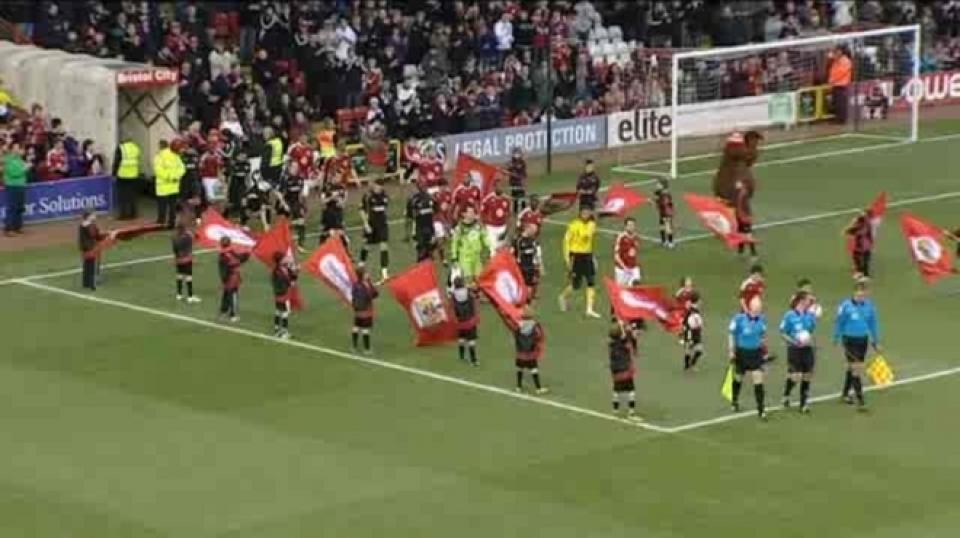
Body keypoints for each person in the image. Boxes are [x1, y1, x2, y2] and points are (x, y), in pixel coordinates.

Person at [833, 282, 881, 410]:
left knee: (852, 368)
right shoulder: (845, 306)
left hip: (862, 340)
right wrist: (836, 337)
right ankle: (861, 401)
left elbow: (873, 324)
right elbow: (839, 322)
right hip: (849, 340)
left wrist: (876, 341)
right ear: (854, 293)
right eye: (859, 294)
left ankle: (844, 394)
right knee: (856, 369)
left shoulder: (869, 306)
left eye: (863, 294)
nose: (861, 297)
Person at [728, 295, 769, 419]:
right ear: (751, 307)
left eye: (760, 307)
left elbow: (762, 336)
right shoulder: (739, 319)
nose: (759, 309)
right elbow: (731, 334)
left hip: (756, 353)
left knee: (758, 381)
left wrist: (765, 352)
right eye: (757, 307)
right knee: (738, 378)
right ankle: (734, 400)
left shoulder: (762, 320)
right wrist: (731, 350)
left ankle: (761, 409)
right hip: (742, 353)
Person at [559, 206, 600, 318]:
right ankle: (563, 296)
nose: (585, 214)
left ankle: (589, 309)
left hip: (587, 255)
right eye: (584, 212)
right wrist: (567, 258)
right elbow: (567, 241)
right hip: (576, 256)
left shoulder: (591, 224)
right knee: (576, 284)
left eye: (587, 212)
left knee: (591, 281)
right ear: (580, 213)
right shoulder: (573, 225)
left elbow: (588, 237)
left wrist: (592, 257)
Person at [780, 291, 818, 412]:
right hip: (794, 349)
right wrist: (794, 341)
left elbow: (810, 331)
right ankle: (786, 394)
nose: (810, 302)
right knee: (796, 377)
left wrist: (814, 318)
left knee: (807, 376)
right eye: (808, 300)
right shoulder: (789, 315)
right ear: (801, 301)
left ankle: (803, 404)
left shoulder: (810, 315)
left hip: (807, 349)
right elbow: (783, 332)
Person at [449, 205, 491, 287]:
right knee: (468, 280)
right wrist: (454, 258)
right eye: (470, 212)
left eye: (473, 212)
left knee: (479, 279)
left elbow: (484, 237)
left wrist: (489, 247)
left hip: (477, 257)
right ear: (464, 214)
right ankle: (469, 292)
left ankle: (476, 292)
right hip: (465, 258)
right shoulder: (459, 228)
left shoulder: (478, 226)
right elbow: (454, 243)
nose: (473, 214)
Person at [359, 178, 391, 282]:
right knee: (366, 246)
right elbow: (362, 210)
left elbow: (385, 209)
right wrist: (366, 224)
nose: (379, 188)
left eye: (380, 186)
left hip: (382, 225)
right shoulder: (368, 196)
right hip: (371, 225)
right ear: (374, 186)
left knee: (384, 246)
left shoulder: (385, 196)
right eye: (377, 186)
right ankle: (361, 264)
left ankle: (384, 273)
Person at [78, 210, 115, 291]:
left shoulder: (82, 225)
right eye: (93, 215)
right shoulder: (91, 226)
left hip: (84, 249)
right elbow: (96, 236)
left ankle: (86, 283)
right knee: (93, 267)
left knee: (87, 266)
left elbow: (95, 235)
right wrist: (110, 235)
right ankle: (93, 285)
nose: (95, 216)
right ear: (89, 216)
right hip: (91, 248)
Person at [153, 139, 185, 229]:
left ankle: (167, 223)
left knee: (169, 207)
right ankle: (165, 223)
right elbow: (158, 170)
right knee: (167, 207)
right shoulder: (162, 155)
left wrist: (174, 176)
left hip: (167, 187)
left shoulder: (175, 156)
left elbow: (182, 168)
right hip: (167, 186)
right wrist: (173, 177)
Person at [514, 306, 547, 394]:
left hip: (520, 353)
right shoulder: (534, 325)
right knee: (534, 369)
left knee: (519, 369)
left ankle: (518, 387)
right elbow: (539, 335)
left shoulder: (518, 325)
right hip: (530, 353)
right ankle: (538, 388)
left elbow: (516, 335)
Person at [609, 321, 638, 418]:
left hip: (616, 371)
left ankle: (615, 410)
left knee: (616, 390)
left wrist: (622, 326)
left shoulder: (611, 344)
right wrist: (622, 325)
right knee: (631, 390)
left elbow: (623, 336)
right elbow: (626, 336)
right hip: (625, 370)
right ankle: (631, 411)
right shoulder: (624, 343)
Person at [217, 236, 250, 322]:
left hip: (228, 277)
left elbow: (223, 268)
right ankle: (233, 315)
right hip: (233, 277)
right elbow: (240, 259)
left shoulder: (222, 254)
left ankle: (223, 312)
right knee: (233, 295)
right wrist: (247, 253)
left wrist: (223, 280)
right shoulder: (231, 252)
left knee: (226, 294)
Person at [406, 180, 438, 261]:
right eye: (422, 186)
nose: (424, 188)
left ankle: (428, 259)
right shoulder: (414, 199)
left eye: (425, 186)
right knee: (421, 248)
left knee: (432, 245)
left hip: (429, 226)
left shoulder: (431, 198)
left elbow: (436, 209)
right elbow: (410, 215)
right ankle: (421, 262)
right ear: (418, 187)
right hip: (419, 227)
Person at [278, 161, 307, 250]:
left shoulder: (300, 179)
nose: (295, 169)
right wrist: (284, 204)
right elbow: (280, 193)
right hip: (287, 202)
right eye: (293, 167)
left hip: (296, 203)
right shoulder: (285, 179)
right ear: (289, 168)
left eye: (297, 167)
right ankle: (283, 241)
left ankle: (300, 245)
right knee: (285, 223)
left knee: (302, 223)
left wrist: (302, 205)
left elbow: (300, 193)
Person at [3, 141, 30, 236]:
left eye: (18, 148)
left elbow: (23, 171)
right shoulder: (8, 160)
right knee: (12, 207)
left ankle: (17, 227)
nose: (17, 150)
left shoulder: (20, 159)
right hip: (12, 186)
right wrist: (24, 169)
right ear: (11, 149)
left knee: (19, 207)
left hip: (21, 185)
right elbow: (13, 173)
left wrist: (26, 167)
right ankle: (8, 229)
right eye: (15, 148)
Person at [451, 276, 479, 365]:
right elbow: (476, 295)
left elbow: (453, 307)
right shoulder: (468, 291)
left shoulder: (453, 295)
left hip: (460, 321)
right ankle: (473, 360)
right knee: (471, 341)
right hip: (470, 320)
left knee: (461, 338)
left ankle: (462, 356)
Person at [112, 136, 141, 220]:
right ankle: (133, 213)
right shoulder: (136, 148)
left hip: (123, 175)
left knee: (122, 196)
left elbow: (117, 161)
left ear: (124, 140)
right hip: (134, 174)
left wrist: (114, 174)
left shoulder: (121, 148)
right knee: (132, 195)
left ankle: (123, 214)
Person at [351, 266, 378, 354]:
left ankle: (354, 347)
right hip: (366, 310)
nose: (368, 274)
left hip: (357, 310)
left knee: (356, 327)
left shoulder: (355, 284)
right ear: (363, 275)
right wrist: (370, 284)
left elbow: (353, 294)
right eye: (366, 273)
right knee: (365, 329)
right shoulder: (366, 285)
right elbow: (374, 295)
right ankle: (367, 349)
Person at [271, 251, 298, 339]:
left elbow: (293, 277)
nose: (286, 258)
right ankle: (284, 332)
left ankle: (277, 330)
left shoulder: (283, 268)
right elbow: (282, 283)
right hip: (281, 294)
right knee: (284, 312)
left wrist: (295, 271)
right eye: (284, 258)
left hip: (281, 293)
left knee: (279, 311)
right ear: (280, 260)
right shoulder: (278, 271)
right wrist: (290, 284)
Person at [512, 222, 541, 300]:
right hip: (521, 266)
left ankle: (526, 299)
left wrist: (537, 265)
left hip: (530, 266)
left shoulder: (533, 241)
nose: (534, 233)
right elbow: (513, 253)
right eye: (533, 231)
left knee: (529, 284)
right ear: (527, 229)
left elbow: (536, 254)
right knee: (521, 284)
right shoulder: (518, 240)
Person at [172, 221, 200, 303]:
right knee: (189, 277)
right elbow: (196, 238)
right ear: (184, 228)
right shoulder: (187, 236)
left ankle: (179, 294)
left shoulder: (174, 237)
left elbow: (174, 249)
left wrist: (176, 258)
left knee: (179, 275)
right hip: (187, 259)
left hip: (178, 259)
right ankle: (190, 296)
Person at [480, 184, 511, 254]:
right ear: (494, 187)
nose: (500, 188)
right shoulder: (488, 199)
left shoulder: (506, 200)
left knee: (502, 249)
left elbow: (509, 216)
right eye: (498, 186)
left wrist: (506, 230)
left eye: (501, 186)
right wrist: (484, 226)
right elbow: (482, 214)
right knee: (493, 249)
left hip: (502, 226)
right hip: (491, 227)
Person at [845, 209, 874, 281]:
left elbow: (861, 232)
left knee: (865, 260)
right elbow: (855, 226)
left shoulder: (867, 223)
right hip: (860, 243)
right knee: (855, 256)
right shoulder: (861, 221)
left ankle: (866, 276)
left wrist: (850, 231)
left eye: (864, 214)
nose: (862, 214)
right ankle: (859, 272)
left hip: (865, 244)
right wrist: (852, 225)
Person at [319, 180, 348, 248]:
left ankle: (345, 250)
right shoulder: (325, 187)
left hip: (338, 213)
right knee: (325, 232)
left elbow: (343, 202)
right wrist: (332, 198)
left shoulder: (342, 187)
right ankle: (322, 249)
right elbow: (323, 201)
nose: (336, 178)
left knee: (340, 231)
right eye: (334, 176)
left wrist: (340, 202)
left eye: (338, 176)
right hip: (328, 213)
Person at [828, 45, 852, 124]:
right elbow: (833, 71)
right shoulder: (836, 61)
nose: (835, 53)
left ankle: (841, 119)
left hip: (842, 84)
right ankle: (837, 118)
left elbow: (841, 72)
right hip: (836, 84)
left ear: (841, 51)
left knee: (841, 103)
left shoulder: (845, 61)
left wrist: (833, 79)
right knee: (836, 103)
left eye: (837, 51)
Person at [614, 217, 641, 285]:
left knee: (635, 283)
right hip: (622, 269)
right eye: (629, 225)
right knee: (622, 289)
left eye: (633, 225)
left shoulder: (636, 237)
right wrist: (624, 267)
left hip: (633, 267)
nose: (631, 227)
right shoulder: (621, 237)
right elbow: (616, 256)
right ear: (625, 226)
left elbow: (634, 252)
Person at [227, 146, 252, 220]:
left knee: (242, 198)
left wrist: (248, 184)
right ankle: (233, 212)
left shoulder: (247, 164)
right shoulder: (234, 164)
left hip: (242, 183)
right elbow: (231, 174)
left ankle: (243, 213)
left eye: (244, 155)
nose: (243, 157)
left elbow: (247, 174)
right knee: (234, 198)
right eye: (241, 155)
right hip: (235, 182)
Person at [735, 179, 758, 258]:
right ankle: (740, 252)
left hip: (745, 218)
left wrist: (746, 218)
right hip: (740, 217)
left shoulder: (744, 195)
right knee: (740, 234)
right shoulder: (741, 194)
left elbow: (745, 208)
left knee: (748, 235)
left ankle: (754, 254)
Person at [682, 291, 704, 371]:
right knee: (696, 349)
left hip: (691, 331)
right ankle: (690, 365)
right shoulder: (692, 311)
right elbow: (688, 322)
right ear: (697, 301)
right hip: (691, 332)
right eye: (700, 300)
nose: (701, 301)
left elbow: (685, 321)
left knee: (693, 349)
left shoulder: (692, 309)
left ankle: (689, 365)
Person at [654, 179, 675, 249]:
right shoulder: (658, 192)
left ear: (663, 186)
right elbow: (657, 202)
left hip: (667, 212)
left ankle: (671, 242)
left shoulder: (665, 194)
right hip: (662, 211)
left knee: (667, 227)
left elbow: (665, 204)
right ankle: (664, 241)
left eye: (658, 184)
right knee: (662, 227)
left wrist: (654, 202)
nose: (657, 185)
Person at [507, 147, 528, 214]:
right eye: (515, 153)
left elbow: (524, 173)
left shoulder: (522, 162)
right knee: (515, 197)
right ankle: (515, 211)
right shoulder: (510, 162)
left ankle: (524, 210)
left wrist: (524, 181)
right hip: (513, 183)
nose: (517, 155)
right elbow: (508, 171)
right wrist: (511, 169)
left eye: (518, 153)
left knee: (522, 197)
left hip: (520, 182)